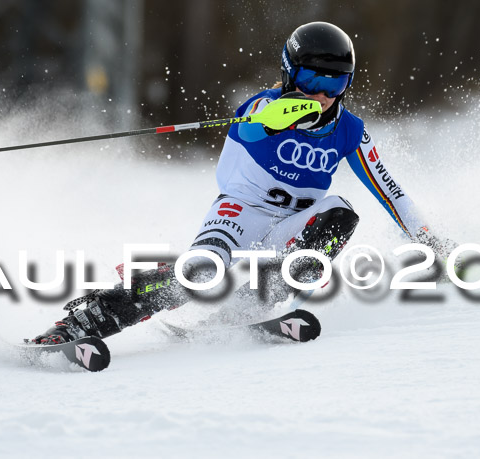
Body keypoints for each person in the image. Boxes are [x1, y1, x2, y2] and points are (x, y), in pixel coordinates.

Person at [32, 21, 457, 345]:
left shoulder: (349, 130)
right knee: (200, 275)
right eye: (312, 80)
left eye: (336, 82)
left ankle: (252, 303)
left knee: (341, 210)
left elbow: (392, 192)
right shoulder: (261, 107)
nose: (323, 95)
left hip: (290, 230)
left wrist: (430, 244)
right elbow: (252, 132)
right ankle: (85, 321)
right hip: (239, 215)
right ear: (291, 75)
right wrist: (275, 118)